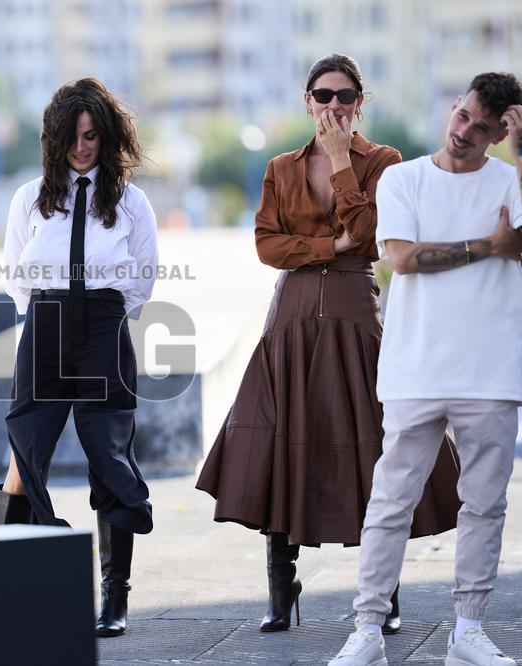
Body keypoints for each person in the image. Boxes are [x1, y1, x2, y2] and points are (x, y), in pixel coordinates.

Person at [195, 54, 461, 634]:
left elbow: (368, 236)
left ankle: (383, 590)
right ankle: (279, 586)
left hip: (354, 316)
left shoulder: (385, 162)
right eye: (324, 95)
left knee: (372, 450)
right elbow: (268, 245)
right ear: (307, 100)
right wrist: (327, 247)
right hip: (289, 320)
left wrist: (343, 165)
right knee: (280, 445)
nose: (334, 107)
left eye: (345, 97)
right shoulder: (279, 168)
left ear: (360, 103)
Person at [330, 72, 522, 666]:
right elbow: (404, 260)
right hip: (416, 367)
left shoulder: (512, 181)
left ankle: (467, 631)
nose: (464, 131)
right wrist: (489, 246)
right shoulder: (403, 178)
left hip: (491, 369)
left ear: (499, 133)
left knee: (485, 504)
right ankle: (366, 630)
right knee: (390, 500)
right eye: (462, 115)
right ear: (454, 106)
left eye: (482, 127)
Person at [0, 78, 158, 638]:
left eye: (93, 135)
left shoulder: (132, 202)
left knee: (109, 457)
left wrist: (104, 317)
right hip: (44, 327)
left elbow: (143, 275)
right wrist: (48, 315)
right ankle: (18, 586)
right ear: (54, 137)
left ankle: (114, 597)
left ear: (107, 136)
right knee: (25, 451)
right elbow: (17, 270)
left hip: (104, 329)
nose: (83, 146)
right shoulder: (30, 197)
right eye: (73, 135)